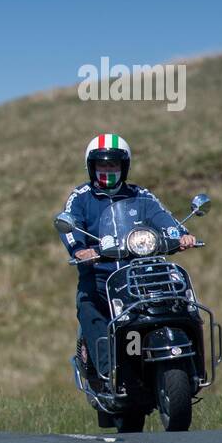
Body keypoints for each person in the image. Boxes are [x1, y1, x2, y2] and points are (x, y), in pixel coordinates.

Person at [58, 134, 196, 388]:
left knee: (181, 298)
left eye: (113, 165)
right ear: (91, 167)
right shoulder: (81, 196)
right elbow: (68, 224)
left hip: (141, 274)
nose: (107, 170)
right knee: (88, 306)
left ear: (124, 166)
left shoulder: (140, 195)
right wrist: (79, 250)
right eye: (102, 165)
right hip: (100, 275)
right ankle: (107, 374)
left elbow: (163, 217)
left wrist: (181, 235)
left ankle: (189, 362)